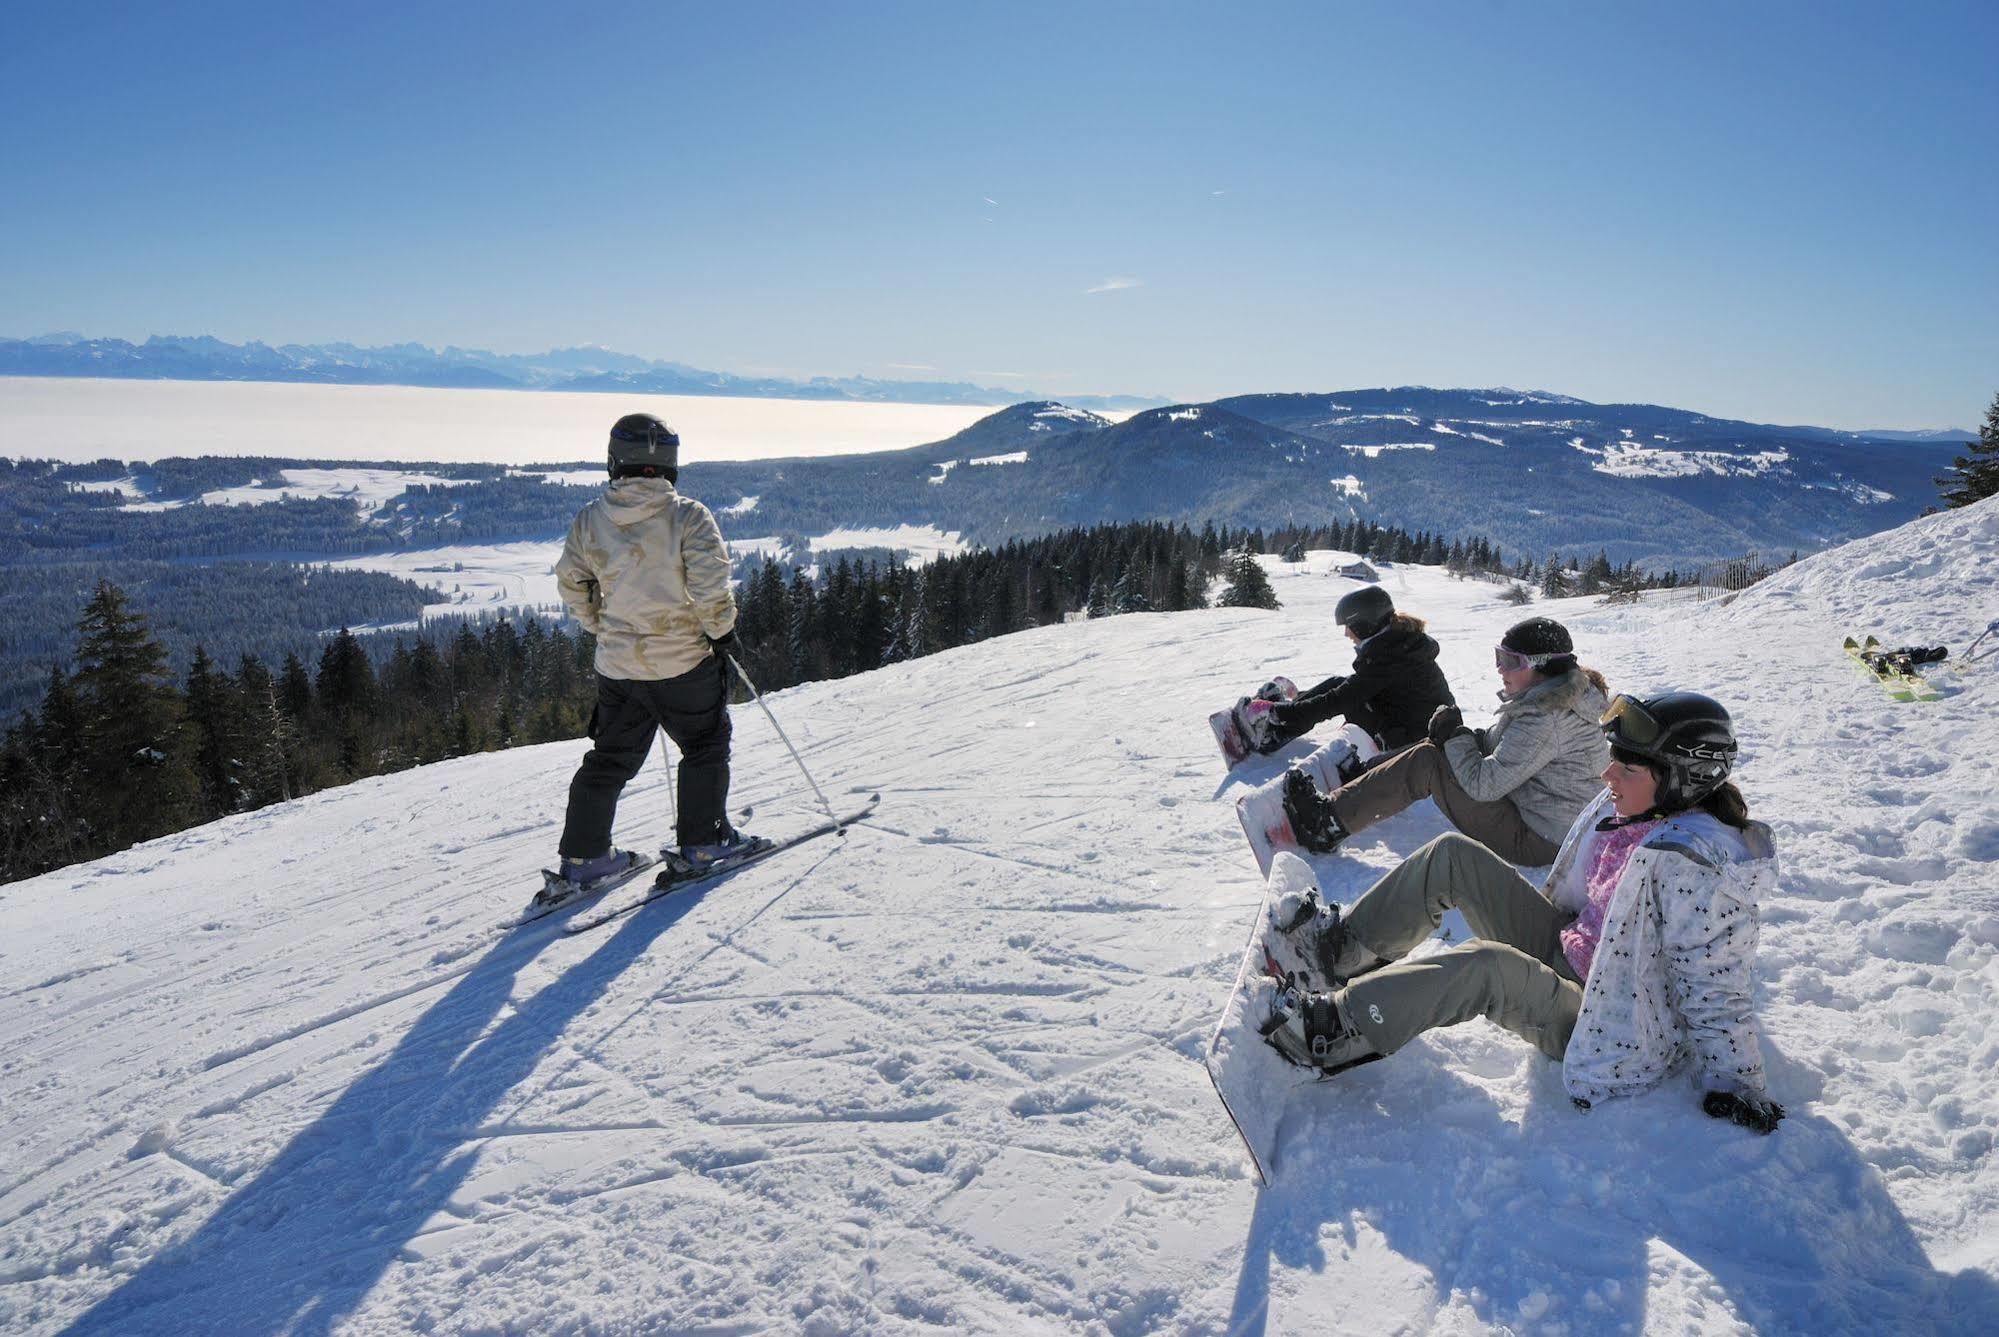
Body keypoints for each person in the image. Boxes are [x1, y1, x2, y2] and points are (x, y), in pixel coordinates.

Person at [1256, 690, 1785, 1132]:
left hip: (1606, 1021)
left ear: (1682, 778)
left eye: (1626, 767)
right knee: (1452, 857)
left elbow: (1716, 985)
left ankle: (1332, 1033)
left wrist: (1738, 1084)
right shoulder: (1635, 809)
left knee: (1485, 966)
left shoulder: (1700, 869)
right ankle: (1341, 951)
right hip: (1572, 950)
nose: (1606, 775)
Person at [551, 413, 761, 887]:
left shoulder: (590, 519)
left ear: (615, 461)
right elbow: (710, 587)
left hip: (618, 667)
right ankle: (704, 843)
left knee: (609, 758)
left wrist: (600, 627)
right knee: (705, 745)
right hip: (683, 661)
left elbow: (572, 583)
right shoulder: (688, 516)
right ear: (669, 464)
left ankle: (585, 861)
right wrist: (722, 632)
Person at [1281, 617, 1608, 866]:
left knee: (1430, 762)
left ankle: (1325, 824)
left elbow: (1484, 785)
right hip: (1545, 820)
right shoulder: (1548, 699)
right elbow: (1496, 746)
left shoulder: (1547, 717)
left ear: (1542, 666)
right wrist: (1456, 735)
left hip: (1542, 839)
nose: (1499, 669)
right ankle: (1365, 777)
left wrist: (1454, 737)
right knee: (1441, 747)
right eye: (1498, 657)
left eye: (1510, 661)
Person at [1257, 584, 1455, 758]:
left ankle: (1275, 731)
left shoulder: (1388, 658)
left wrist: (1276, 712)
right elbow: (1354, 688)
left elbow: (1338, 700)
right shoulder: (1396, 644)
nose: (1346, 633)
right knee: (1340, 684)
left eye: (1349, 626)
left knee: (1343, 697)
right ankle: (1292, 713)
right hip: (1415, 727)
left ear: (1364, 625)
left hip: (1411, 745)